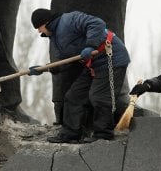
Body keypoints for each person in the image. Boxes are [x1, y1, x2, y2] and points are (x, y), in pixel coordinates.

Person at [29, 8, 130, 143]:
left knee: (99, 97)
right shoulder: (56, 39)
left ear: (46, 22)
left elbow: (97, 23)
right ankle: (70, 134)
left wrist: (90, 45)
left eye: (38, 27)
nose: (39, 31)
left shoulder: (70, 19)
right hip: (93, 65)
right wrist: (44, 69)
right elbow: (65, 63)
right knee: (73, 97)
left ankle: (103, 135)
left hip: (112, 58)